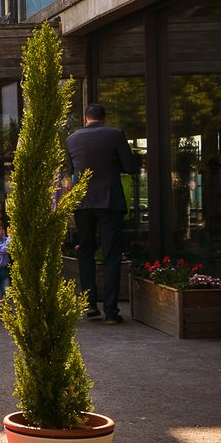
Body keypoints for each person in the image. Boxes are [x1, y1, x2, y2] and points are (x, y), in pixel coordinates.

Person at [65, 101, 137, 325]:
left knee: (85, 251)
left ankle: (89, 305)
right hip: (109, 201)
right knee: (111, 255)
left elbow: (71, 171)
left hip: (83, 203)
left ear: (86, 118)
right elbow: (130, 167)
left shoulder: (72, 139)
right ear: (103, 118)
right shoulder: (115, 135)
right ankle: (111, 312)